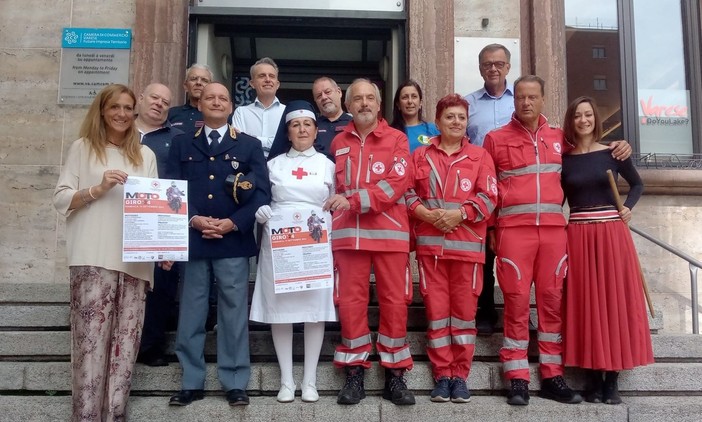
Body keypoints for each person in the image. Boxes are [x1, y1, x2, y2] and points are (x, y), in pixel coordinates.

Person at [53, 83, 170, 421]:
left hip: (134, 264)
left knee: (124, 349)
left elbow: (155, 208)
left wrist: (162, 246)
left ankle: (115, 415)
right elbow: (61, 198)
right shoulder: (83, 148)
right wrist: (98, 188)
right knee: (90, 347)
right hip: (92, 258)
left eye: (126, 108)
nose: (121, 114)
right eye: (114, 107)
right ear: (102, 110)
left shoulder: (144, 155)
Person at [166, 82, 271, 407]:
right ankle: (191, 381)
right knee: (192, 312)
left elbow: (263, 194)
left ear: (230, 107)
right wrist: (194, 219)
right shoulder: (182, 143)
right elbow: (171, 189)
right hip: (195, 241)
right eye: (209, 97)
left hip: (233, 242)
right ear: (200, 104)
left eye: (222, 98)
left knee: (233, 313)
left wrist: (233, 223)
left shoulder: (250, 146)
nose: (215, 102)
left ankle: (235, 381)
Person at [327, 78, 415, 406]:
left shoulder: (397, 140)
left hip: (390, 235)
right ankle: (354, 371)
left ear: (379, 106)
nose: (364, 103)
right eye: (357, 99)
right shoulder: (337, 143)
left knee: (394, 303)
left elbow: (397, 183)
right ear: (347, 106)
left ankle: (395, 374)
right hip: (348, 236)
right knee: (350, 303)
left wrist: (354, 200)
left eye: (370, 99)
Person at [405, 94, 498, 403]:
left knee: (463, 316)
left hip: (468, 251)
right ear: (439, 120)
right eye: (450, 117)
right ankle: (441, 375)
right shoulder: (420, 156)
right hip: (431, 250)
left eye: (461, 117)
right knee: (436, 314)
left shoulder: (480, 156)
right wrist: (424, 214)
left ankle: (460, 375)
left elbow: (489, 197)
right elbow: (407, 193)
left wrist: (461, 214)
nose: (456, 122)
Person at [560, 96, 653, 405]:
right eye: (577, 116)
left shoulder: (614, 152)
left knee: (612, 302)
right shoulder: (565, 158)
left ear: (595, 119)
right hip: (577, 235)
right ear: (570, 122)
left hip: (611, 234)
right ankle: (592, 379)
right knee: (585, 303)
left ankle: (611, 380)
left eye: (588, 115)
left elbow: (638, 184)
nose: (583, 120)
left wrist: (627, 208)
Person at [249, 101, 341, 403]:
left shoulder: (329, 165)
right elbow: (261, 197)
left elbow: (334, 202)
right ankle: (287, 381)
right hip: (281, 243)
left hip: (315, 242)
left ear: (316, 131)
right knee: (282, 311)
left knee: (314, 311)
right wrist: (261, 211)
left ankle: (310, 380)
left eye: (307, 125)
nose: (302, 130)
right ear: (287, 132)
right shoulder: (272, 164)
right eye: (295, 125)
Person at [463, 43, 515, 335]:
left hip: (513, 187)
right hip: (479, 190)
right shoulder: (468, 104)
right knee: (483, 255)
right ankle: (485, 310)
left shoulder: (519, 102)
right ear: (480, 67)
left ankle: (515, 312)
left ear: (508, 66)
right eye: (487, 64)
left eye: (498, 63)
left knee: (512, 252)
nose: (493, 68)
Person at [134, 82, 184, 367]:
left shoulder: (177, 138)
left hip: (160, 222)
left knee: (161, 285)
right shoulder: (118, 131)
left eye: (166, 102)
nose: (159, 104)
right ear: (141, 98)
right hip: (118, 219)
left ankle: (151, 345)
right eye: (154, 98)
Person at [268, 76, 352, 161]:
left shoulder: (354, 124)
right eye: (319, 96)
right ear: (315, 100)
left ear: (339, 92)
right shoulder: (310, 126)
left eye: (328, 92)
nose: (324, 97)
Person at [232, 57, 285, 158]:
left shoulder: (287, 112)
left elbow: (286, 143)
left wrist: (250, 138)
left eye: (272, 76)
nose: (268, 80)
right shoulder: (241, 112)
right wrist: (272, 141)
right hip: (249, 169)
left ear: (277, 84)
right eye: (262, 76)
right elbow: (239, 143)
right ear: (252, 84)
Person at [390, 79, 440, 152]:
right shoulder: (390, 133)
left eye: (414, 96)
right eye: (405, 97)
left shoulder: (433, 130)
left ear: (420, 103)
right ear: (398, 104)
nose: (410, 101)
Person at [167, 63, 213, 134]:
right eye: (194, 79)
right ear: (185, 86)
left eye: (204, 80)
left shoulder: (218, 114)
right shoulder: (170, 113)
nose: (198, 83)